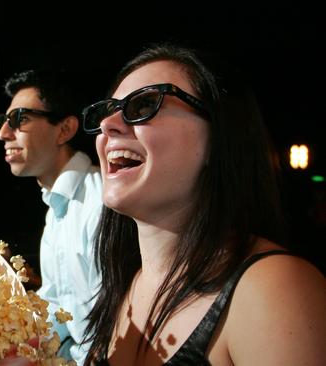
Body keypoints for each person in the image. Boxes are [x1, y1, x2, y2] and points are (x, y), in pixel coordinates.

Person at [81, 43, 326, 365]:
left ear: (218, 137)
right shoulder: (127, 283)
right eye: (106, 110)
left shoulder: (274, 287)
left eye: (144, 106)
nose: (108, 125)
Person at [0, 69, 103, 364]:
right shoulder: (56, 208)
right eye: (2, 122)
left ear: (65, 129)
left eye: (20, 119)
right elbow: (55, 307)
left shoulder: (101, 201)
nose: (4, 133)